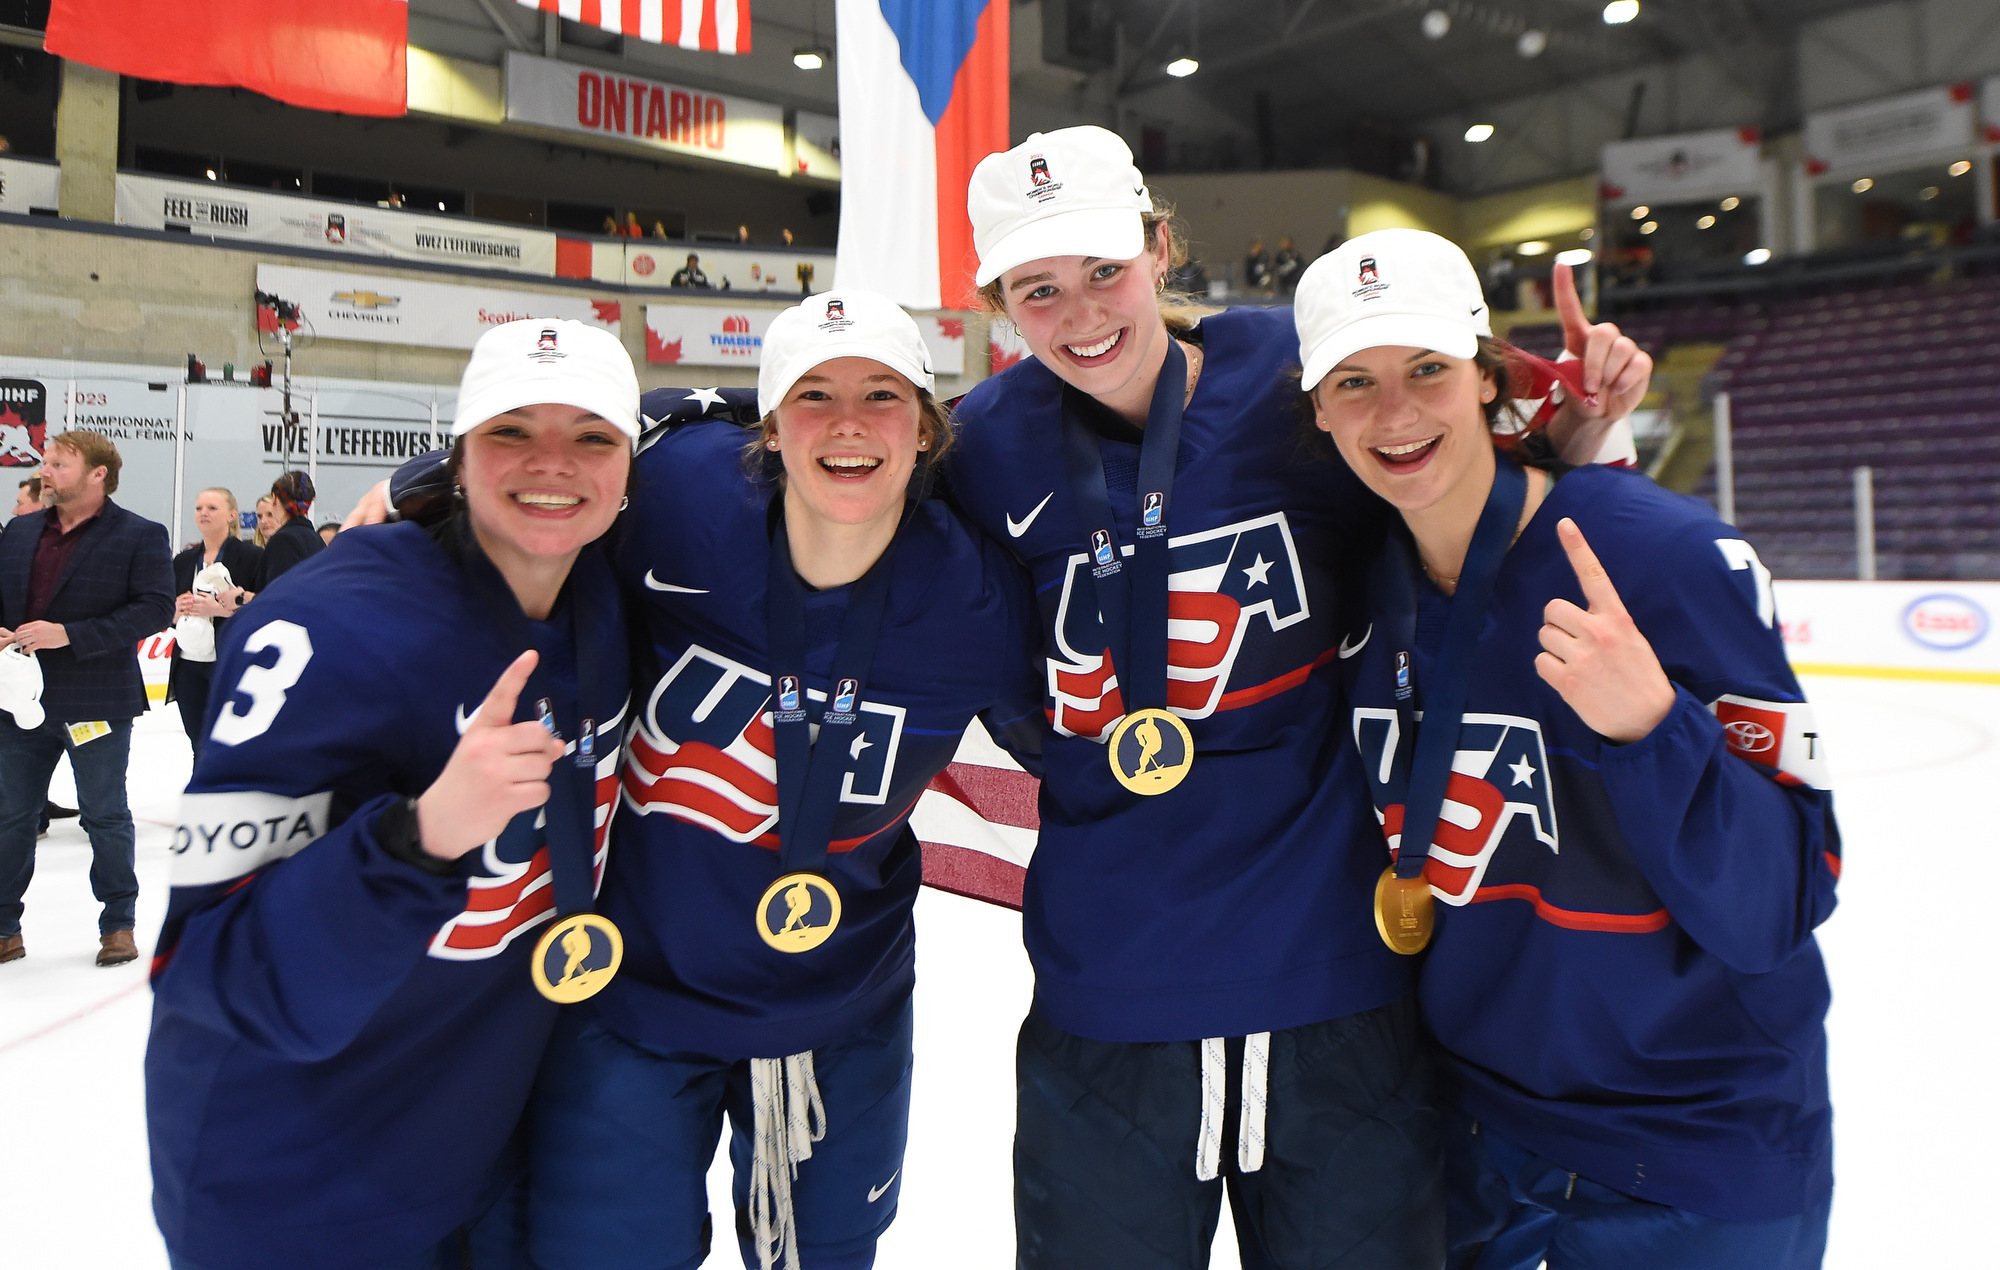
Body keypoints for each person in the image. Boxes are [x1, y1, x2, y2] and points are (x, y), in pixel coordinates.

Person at [1295, 229, 1837, 1270]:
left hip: (1691, 1148)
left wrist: (1653, 729)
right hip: (1471, 1133)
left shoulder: (1663, 558)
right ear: (1317, 410)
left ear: (1486, 377)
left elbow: (1780, 898)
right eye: (1352, 382)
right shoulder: (1362, 588)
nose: (1393, 412)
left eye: (1425, 371)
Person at [954, 126, 1441, 1270]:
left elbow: (1449, 472)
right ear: (996, 306)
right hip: (1109, 999)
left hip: (1339, 984)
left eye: (1102, 271)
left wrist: (1569, 439)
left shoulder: (1289, 376)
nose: (1079, 315)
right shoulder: (977, 450)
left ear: (1158, 246)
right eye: (1038, 289)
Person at [525, 292, 1043, 1270]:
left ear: (927, 430)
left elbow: (1071, 753)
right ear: (766, 423)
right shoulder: (677, 497)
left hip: (834, 1002)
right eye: (813, 395)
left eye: (881, 396)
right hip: (631, 989)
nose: (847, 424)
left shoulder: (975, 601)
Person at [144, 318, 637, 1270]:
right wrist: (420, 839)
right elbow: (215, 969)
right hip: (289, 1189)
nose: (554, 463)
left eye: (591, 436)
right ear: (458, 457)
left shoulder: (598, 588)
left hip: (468, 1159)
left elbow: (733, 418)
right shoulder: (326, 626)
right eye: (509, 432)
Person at [0, 430, 174, 967]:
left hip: (96, 698)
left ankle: (117, 923)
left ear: (99, 474)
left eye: (59, 463)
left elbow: (154, 609)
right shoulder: (20, 529)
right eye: (46, 462)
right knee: (10, 815)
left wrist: (69, 635)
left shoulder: (140, 535)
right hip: (19, 699)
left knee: (104, 815)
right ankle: (5, 926)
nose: (45, 471)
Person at [169, 487, 262, 761]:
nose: (203, 513)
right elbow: (166, 611)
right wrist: (175, 611)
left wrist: (222, 610)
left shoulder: (251, 557)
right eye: (199, 508)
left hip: (229, 659)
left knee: (231, 739)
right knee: (197, 741)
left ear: (232, 515)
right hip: (188, 664)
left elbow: (265, 605)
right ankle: (202, 795)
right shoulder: (184, 561)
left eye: (212, 508)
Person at [254, 470, 322, 591]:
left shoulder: (283, 540)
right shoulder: (316, 539)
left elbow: (279, 594)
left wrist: (246, 598)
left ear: (275, 499)